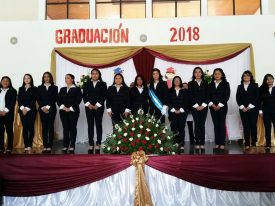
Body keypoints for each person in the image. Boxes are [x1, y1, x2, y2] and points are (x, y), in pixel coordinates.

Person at [83, 69, 107, 154]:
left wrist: (97, 104)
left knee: (98, 124)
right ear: (91, 75)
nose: (94, 75)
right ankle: (90, 143)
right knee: (90, 125)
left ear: (99, 75)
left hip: (98, 107)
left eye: (96, 73)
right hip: (89, 107)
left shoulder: (103, 84)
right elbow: (84, 96)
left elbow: (104, 95)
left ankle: (98, 143)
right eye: (93, 74)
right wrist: (88, 104)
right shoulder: (86, 84)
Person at [57, 74, 82, 154]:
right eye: (65, 78)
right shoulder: (62, 89)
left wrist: (70, 108)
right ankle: (65, 145)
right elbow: (58, 100)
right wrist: (64, 108)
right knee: (65, 128)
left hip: (73, 111)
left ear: (72, 79)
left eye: (68, 78)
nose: (66, 79)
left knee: (72, 128)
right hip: (63, 111)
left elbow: (78, 100)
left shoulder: (77, 89)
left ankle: (72, 145)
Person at [208, 68, 230, 153]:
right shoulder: (210, 85)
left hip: (222, 107)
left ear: (222, 75)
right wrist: (212, 105)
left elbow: (226, 95)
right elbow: (208, 96)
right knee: (216, 125)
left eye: (218, 73)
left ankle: (222, 143)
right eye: (215, 74)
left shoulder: (226, 84)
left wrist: (219, 105)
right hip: (212, 107)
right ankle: (217, 143)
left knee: (221, 124)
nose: (217, 75)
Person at [236, 70, 259, 150]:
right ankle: (247, 143)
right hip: (243, 110)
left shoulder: (255, 85)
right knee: (246, 126)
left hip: (253, 109)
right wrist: (242, 107)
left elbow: (257, 97)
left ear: (250, 77)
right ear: (242, 77)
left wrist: (249, 106)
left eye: (248, 75)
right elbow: (238, 98)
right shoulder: (240, 86)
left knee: (253, 126)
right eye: (244, 76)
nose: (246, 77)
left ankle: (254, 143)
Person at [188, 67, 209, 154]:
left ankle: (202, 143)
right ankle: (197, 143)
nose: (197, 73)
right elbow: (190, 95)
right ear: (194, 74)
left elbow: (208, 95)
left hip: (204, 106)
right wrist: (196, 106)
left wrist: (203, 105)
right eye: (196, 72)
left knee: (202, 124)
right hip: (194, 107)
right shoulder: (191, 83)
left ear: (201, 74)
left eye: (199, 72)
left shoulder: (206, 83)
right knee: (196, 124)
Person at [37, 72, 58, 154]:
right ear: (43, 78)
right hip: (42, 110)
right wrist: (43, 107)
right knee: (44, 127)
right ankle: (45, 145)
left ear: (50, 78)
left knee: (50, 126)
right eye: (45, 77)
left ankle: (50, 145)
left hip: (51, 109)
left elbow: (54, 98)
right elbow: (38, 98)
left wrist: (48, 107)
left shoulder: (55, 87)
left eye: (48, 77)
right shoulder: (39, 87)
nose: (46, 78)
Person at [168, 76, 189, 153]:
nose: (177, 81)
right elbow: (168, 101)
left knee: (181, 127)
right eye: (175, 80)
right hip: (172, 112)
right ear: (173, 81)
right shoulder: (169, 91)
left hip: (182, 112)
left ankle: (181, 144)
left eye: (178, 80)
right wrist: (173, 109)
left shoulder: (185, 91)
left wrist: (180, 110)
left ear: (180, 81)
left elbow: (186, 102)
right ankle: (175, 144)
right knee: (174, 127)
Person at [18, 74, 37, 153]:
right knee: (25, 128)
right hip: (22, 111)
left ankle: (30, 144)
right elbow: (19, 99)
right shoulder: (21, 88)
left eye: (28, 78)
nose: (26, 79)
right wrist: (23, 108)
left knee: (31, 127)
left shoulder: (35, 88)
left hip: (31, 110)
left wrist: (27, 108)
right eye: (25, 78)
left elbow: (34, 99)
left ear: (31, 79)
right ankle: (26, 145)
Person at [0, 76, 17, 154]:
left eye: (7, 81)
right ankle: (1, 147)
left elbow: (12, 102)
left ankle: (9, 148)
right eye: (3, 81)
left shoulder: (13, 91)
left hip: (8, 114)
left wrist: (5, 111)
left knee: (9, 130)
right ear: (1, 82)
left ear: (9, 82)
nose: (5, 82)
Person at [259, 74, 275, 152]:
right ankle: (268, 145)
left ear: (273, 79)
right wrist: (260, 111)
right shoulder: (262, 89)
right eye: (267, 79)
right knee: (267, 128)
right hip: (266, 112)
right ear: (265, 81)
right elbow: (259, 101)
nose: (269, 80)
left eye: (271, 79)